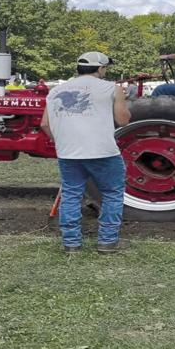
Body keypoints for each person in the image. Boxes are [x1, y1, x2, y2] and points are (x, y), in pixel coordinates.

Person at [44, 51, 132, 254]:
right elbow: (123, 120)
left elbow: (45, 124)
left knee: (71, 194)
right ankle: (107, 242)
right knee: (111, 193)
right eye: (105, 68)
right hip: (103, 152)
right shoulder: (112, 88)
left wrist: (62, 141)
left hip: (68, 153)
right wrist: (122, 100)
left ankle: (71, 244)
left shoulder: (56, 90)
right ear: (100, 68)